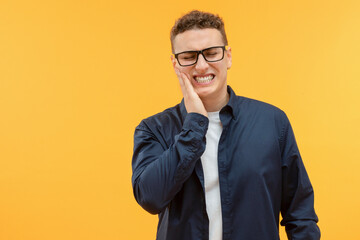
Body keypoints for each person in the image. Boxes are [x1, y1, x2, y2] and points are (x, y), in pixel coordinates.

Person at [131, 10, 320, 240]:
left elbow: (300, 213)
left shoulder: (272, 122)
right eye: (189, 56)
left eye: (211, 53)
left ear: (228, 57)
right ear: (175, 63)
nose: (201, 66)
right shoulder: (154, 129)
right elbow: (150, 197)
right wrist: (195, 125)